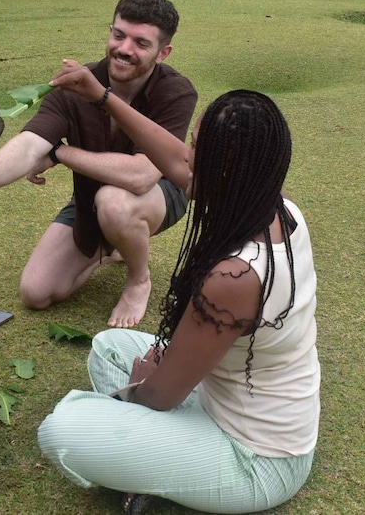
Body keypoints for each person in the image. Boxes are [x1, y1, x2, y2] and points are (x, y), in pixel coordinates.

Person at [37, 62, 321, 515]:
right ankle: (159, 463)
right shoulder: (278, 207)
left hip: (258, 461)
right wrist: (102, 96)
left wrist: (139, 387)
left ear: (224, 167)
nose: (185, 158)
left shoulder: (233, 278)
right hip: (223, 396)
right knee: (108, 346)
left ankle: (158, 474)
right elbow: (170, 158)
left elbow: (158, 396)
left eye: (196, 149)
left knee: (62, 430)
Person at [0, 0, 197, 328]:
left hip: (160, 195)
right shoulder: (76, 86)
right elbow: (30, 146)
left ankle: (138, 279)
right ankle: (111, 243)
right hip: (91, 198)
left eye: (141, 43)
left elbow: (141, 176)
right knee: (36, 292)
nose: (123, 49)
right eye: (118, 35)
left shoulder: (176, 92)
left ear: (163, 53)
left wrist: (60, 153)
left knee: (115, 203)